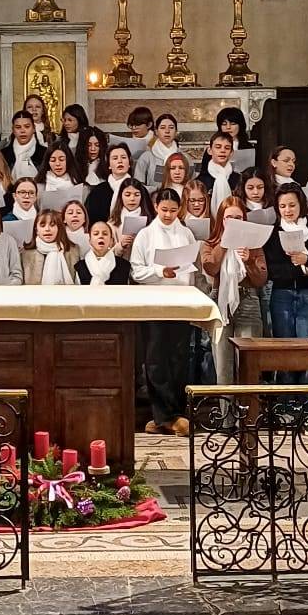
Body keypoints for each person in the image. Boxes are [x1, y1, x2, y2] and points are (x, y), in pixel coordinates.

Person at [131, 185, 199, 435]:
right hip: (155, 303)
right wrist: (160, 271)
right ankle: (165, 415)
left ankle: (174, 413)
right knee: (156, 360)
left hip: (180, 302)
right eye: (164, 210)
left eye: (173, 210)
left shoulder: (186, 233)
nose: (168, 214)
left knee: (179, 359)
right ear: (156, 207)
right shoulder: (145, 235)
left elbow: (192, 266)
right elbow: (136, 271)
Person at [264, 184, 308, 396]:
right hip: (282, 295)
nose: (288, 210)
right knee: (284, 352)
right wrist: (305, 269)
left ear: (301, 204)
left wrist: (307, 260)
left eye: (292, 205)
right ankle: (285, 404)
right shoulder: (273, 232)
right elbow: (273, 270)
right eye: (283, 206)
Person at [202, 193, 268, 378]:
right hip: (220, 302)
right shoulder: (210, 243)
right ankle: (225, 398)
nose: (233, 222)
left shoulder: (253, 245)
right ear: (221, 220)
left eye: (238, 218)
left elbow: (261, 278)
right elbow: (210, 267)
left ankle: (248, 398)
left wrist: (249, 261)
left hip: (248, 301)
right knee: (223, 365)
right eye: (229, 218)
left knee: (248, 364)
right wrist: (225, 242)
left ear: (244, 220)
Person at [21, 208, 78, 284]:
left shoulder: (72, 251)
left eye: (52, 225)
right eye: (42, 225)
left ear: (59, 228)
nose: (47, 229)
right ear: (36, 230)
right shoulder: (26, 254)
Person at [87, 141, 134, 225]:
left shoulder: (138, 188)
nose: (120, 161)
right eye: (115, 158)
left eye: (123, 157)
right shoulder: (98, 191)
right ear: (109, 165)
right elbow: (91, 219)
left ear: (129, 163)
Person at [76, 218, 134, 285]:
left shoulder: (124, 265)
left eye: (105, 234)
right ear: (90, 241)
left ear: (111, 241)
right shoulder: (80, 266)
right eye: (96, 234)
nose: (101, 236)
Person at [198, 130, 240, 214]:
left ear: (231, 152)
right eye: (218, 147)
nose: (222, 150)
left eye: (227, 148)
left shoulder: (238, 179)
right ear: (210, 150)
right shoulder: (200, 182)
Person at [136, 113, 180, 190]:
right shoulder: (146, 157)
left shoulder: (185, 157)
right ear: (156, 131)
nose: (167, 131)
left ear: (176, 132)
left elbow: (191, 185)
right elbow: (137, 186)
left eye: (171, 128)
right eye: (162, 128)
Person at [111, 178, 154, 255]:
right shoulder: (113, 222)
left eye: (137, 195)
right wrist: (121, 245)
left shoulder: (150, 221)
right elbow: (106, 253)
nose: (132, 199)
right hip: (122, 260)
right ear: (121, 196)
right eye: (127, 195)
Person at [2, 110, 47, 180]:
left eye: (27, 126)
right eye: (18, 127)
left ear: (34, 128)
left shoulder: (45, 153)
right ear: (13, 130)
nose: (22, 131)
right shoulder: (3, 154)